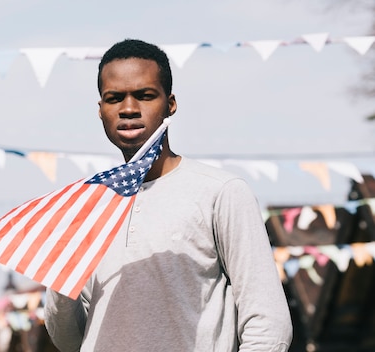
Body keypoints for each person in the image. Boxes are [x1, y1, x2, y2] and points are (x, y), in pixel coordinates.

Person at [44, 39, 293, 351]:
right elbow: (69, 339)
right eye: (114, 98)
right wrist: (59, 271)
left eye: (145, 96)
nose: (129, 109)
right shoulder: (87, 207)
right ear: (101, 110)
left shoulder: (220, 192)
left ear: (170, 103)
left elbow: (268, 321)